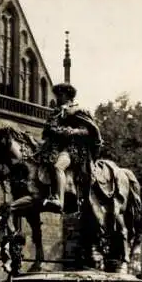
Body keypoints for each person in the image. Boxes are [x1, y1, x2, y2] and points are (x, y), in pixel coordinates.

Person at [39, 82, 103, 213]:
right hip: (53, 148)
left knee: (58, 166)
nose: (57, 98)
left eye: (60, 95)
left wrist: (73, 131)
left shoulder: (77, 110)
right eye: (57, 95)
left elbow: (88, 131)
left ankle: (59, 200)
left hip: (71, 149)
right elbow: (48, 130)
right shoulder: (56, 112)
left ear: (68, 96)